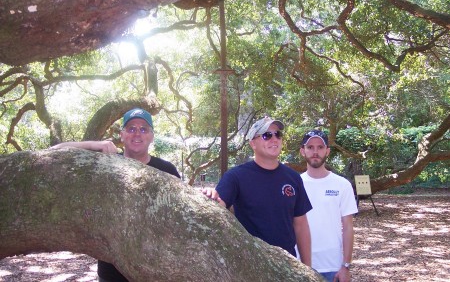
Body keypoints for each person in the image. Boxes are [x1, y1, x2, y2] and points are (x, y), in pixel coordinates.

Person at [52, 108, 181, 282]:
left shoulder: (167, 170)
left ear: (151, 136)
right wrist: (94, 145)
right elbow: (55, 152)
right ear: (121, 135)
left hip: (155, 271)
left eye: (143, 129)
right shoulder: (106, 163)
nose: (137, 134)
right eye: (131, 128)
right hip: (111, 272)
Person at [203, 116, 312, 266]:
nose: (274, 139)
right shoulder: (236, 176)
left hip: (288, 267)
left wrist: (307, 269)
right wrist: (210, 195)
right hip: (251, 266)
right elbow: (218, 204)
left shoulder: (293, 178)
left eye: (278, 134)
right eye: (267, 135)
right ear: (253, 143)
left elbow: (301, 224)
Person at [299, 129, 358, 282]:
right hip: (299, 265)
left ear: (327, 151)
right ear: (302, 151)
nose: (315, 152)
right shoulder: (294, 184)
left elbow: (348, 227)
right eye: (310, 147)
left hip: (333, 268)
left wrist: (345, 266)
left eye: (320, 147)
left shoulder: (342, 185)